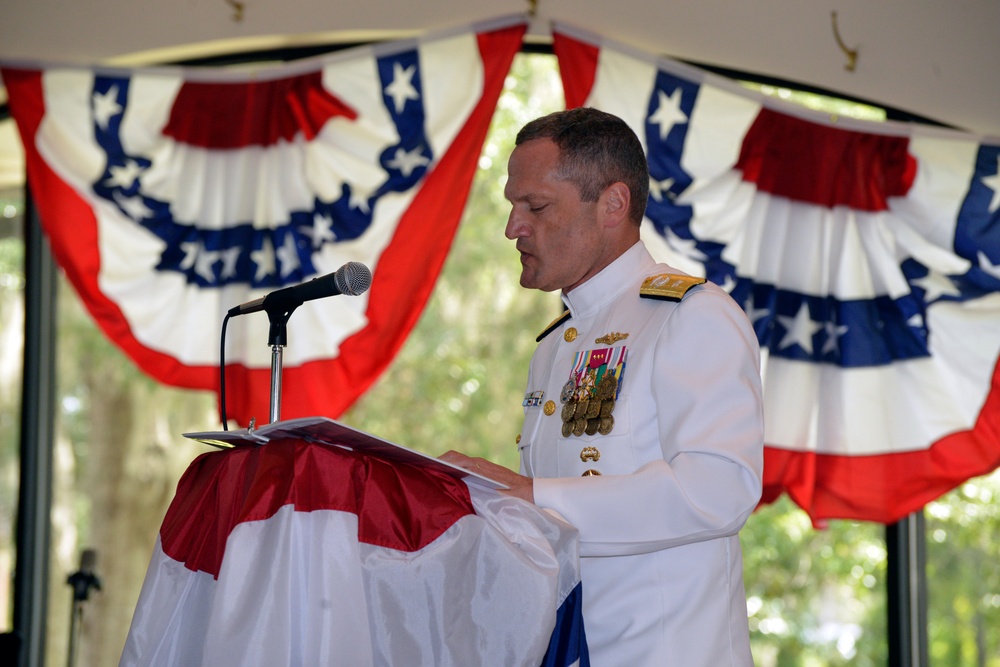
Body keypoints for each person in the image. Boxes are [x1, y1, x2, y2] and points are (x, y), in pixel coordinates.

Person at [441, 107, 764, 666]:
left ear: (613, 204)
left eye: (535, 207)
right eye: (513, 207)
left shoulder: (690, 316)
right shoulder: (555, 345)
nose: (512, 228)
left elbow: (719, 489)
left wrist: (533, 497)